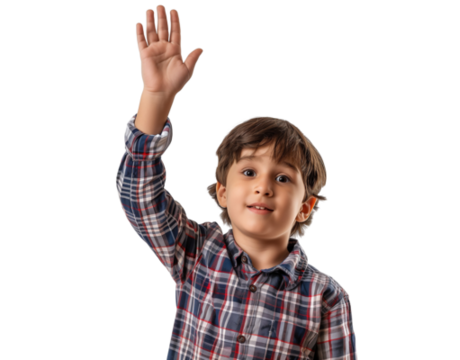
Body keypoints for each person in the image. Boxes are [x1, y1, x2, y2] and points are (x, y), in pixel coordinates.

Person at [115, 5, 357, 359]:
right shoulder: (195, 251)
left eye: (282, 177)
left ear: (305, 207)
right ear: (223, 192)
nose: (264, 186)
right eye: (249, 172)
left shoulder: (326, 297)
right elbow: (138, 196)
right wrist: (157, 97)